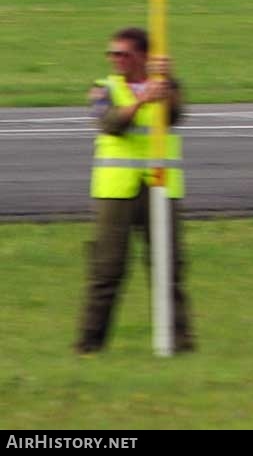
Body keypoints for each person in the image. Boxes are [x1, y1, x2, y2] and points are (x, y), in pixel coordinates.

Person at [76, 27, 194, 354]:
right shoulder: (103, 89)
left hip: (160, 186)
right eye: (112, 54)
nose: (116, 60)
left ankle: (180, 343)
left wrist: (166, 83)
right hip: (116, 192)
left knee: (169, 268)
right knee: (106, 270)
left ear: (142, 55)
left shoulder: (168, 86)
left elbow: (174, 116)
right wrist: (142, 100)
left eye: (123, 54)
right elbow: (110, 123)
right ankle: (89, 345)